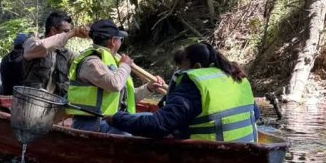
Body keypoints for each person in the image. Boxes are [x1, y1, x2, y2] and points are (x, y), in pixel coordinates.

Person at [108, 41, 259, 141]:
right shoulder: (237, 76)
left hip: (213, 153)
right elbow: (256, 115)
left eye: (182, 67)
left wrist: (118, 118)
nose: (180, 71)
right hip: (245, 143)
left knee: (145, 121)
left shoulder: (193, 83)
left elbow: (157, 125)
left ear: (197, 66)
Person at [65, 19, 166, 133]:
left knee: (151, 118)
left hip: (111, 120)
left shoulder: (112, 60)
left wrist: (149, 88)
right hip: (93, 124)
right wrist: (125, 66)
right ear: (113, 41)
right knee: (127, 132)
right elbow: (115, 85)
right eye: (120, 39)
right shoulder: (92, 62)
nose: (121, 43)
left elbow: (125, 98)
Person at [22, 11, 89, 97]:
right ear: (53, 30)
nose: (68, 35)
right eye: (66, 31)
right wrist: (73, 33)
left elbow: (84, 61)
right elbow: (44, 46)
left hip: (54, 104)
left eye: (68, 32)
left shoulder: (65, 53)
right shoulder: (32, 43)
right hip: (32, 103)